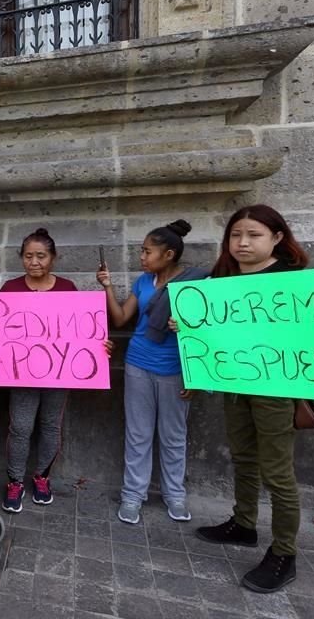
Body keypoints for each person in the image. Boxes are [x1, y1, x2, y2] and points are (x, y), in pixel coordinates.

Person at [183, 205, 314, 594]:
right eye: (235, 235)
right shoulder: (221, 279)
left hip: (276, 392)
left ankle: (284, 553)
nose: (242, 243)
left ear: (276, 237)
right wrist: (187, 326)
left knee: (277, 473)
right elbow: (216, 335)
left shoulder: (295, 283)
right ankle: (243, 524)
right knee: (242, 456)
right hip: (235, 385)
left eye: (253, 234)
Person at [96, 220, 206, 525]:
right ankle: (132, 495)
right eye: (141, 252)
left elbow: (208, 332)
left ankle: (175, 495)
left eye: (147, 252)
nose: (141, 258)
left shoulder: (193, 285)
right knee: (138, 434)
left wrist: (194, 373)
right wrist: (107, 286)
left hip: (175, 369)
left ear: (168, 254)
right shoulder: (143, 283)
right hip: (138, 364)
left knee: (174, 436)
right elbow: (120, 319)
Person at [0, 228, 114, 513]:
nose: (34, 262)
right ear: (21, 258)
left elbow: (81, 331)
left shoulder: (67, 288)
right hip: (22, 374)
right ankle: (15, 481)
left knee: (51, 425)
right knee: (21, 427)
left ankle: (41, 477)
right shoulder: (10, 290)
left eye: (41, 256)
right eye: (28, 256)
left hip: (58, 372)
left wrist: (100, 345)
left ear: (53, 257)